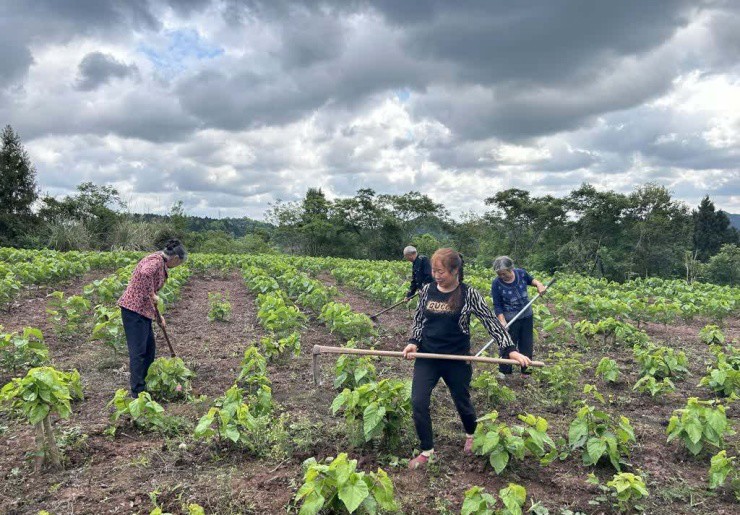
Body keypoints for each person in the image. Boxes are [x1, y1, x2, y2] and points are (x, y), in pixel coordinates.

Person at [402, 248, 531, 469]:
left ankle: (471, 434)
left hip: (456, 358)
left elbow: (491, 322)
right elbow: (419, 319)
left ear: (455, 271)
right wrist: (413, 341)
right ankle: (427, 450)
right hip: (428, 356)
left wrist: (510, 350)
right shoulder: (426, 291)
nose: (437, 275)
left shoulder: (468, 294)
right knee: (418, 402)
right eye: (434, 271)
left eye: (441, 271)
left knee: (461, 399)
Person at [117, 239, 187, 397]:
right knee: (138, 352)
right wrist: (152, 293)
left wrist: (158, 316)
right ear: (175, 258)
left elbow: (150, 293)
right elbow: (145, 273)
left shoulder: (159, 260)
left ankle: (146, 384)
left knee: (149, 350)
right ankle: (138, 392)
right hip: (134, 311)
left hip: (143, 311)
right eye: (179, 263)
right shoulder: (156, 261)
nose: (177, 266)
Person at [490, 256, 547, 376]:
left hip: (526, 315)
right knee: (507, 344)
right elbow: (497, 304)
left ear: (511, 269)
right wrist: (502, 320)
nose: (502, 276)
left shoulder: (521, 274)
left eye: (504, 274)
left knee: (526, 344)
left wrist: (539, 285)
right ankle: (504, 372)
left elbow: (533, 281)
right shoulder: (496, 284)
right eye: (499, 274)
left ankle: (526, 371)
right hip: (510, 318)